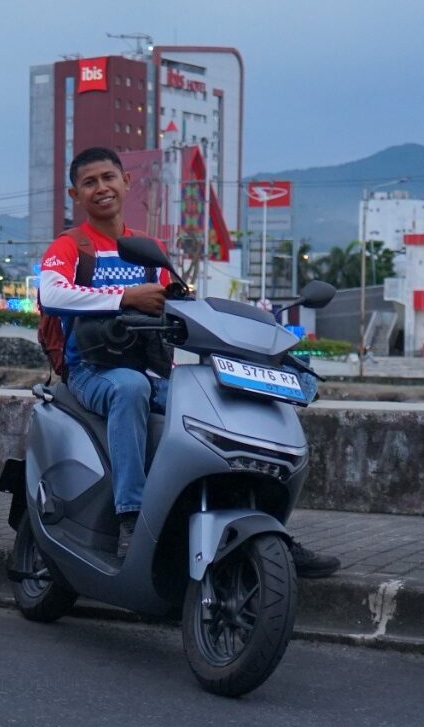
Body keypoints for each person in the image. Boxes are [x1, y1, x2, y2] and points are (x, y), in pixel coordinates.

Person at [38, 149, 340, 576]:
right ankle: (130, 517)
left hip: (148, 368)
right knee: (130, 388)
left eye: (109, 177)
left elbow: (177, 306)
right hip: (92, 370)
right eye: (90, 182)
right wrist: (126, 297)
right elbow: (50, 294)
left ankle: (267, 529)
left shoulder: (147, 249)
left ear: (126, 182)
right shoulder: (72, 245)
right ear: (75, 194)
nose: (101, 188)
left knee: (221, 403)